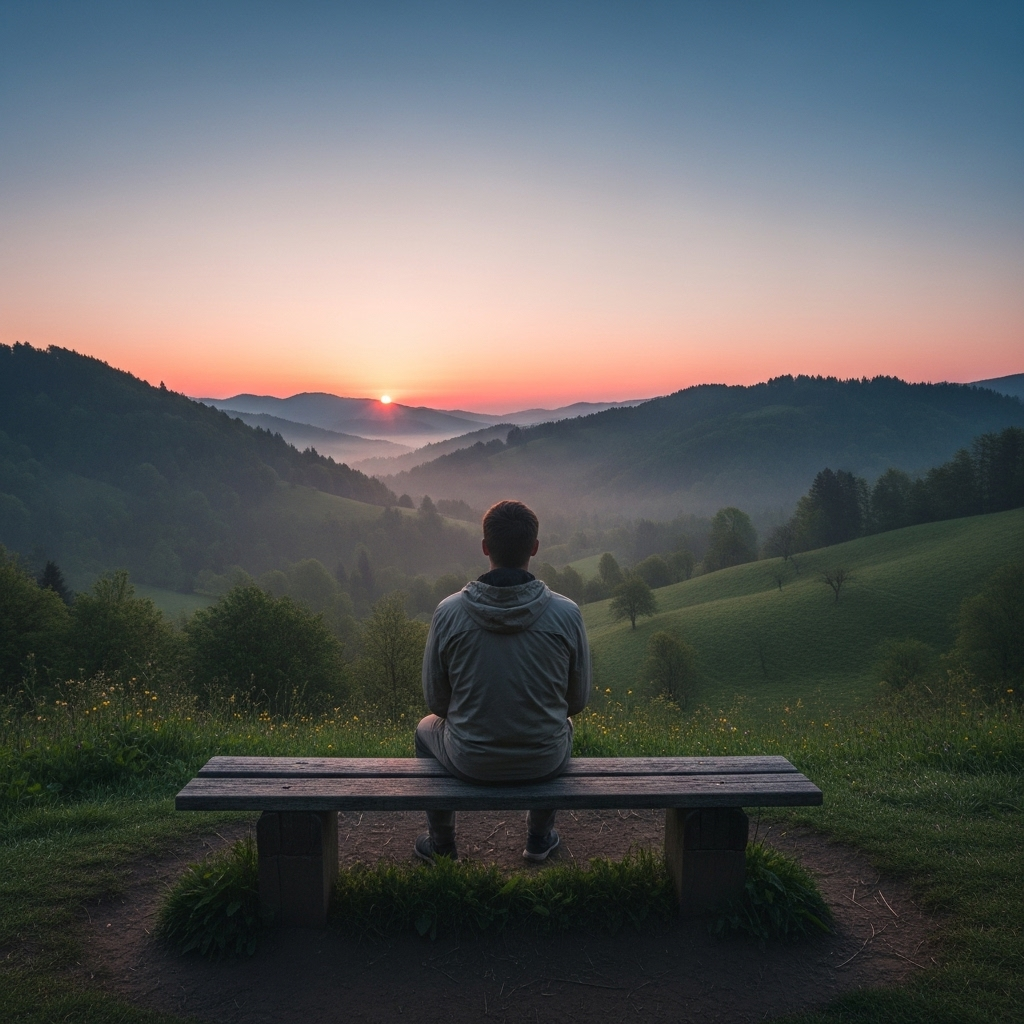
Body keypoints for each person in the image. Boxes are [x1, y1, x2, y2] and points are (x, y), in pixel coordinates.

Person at [414, 499, 591, 864]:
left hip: (469, 760)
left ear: (485, 548)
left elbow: (436, 702)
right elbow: (577, 701)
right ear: (535, 548)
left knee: (423, 729)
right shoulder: (566, 613)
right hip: (545, 759)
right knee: (563, 723)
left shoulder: (448, 612)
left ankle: (443, 845)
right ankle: (539, 840)